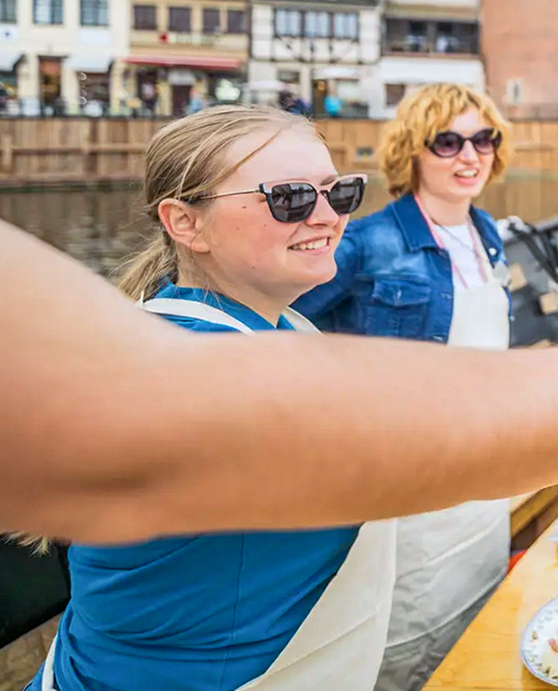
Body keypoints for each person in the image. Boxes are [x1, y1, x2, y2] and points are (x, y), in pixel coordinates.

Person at [27, 105, 392, 691]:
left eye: (339, 192)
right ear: (185, 222)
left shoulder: (279, 329)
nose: (327, 217)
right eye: (290, 198)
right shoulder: (183, 371)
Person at [293, 84, 512, 691]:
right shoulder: (367, 242)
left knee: (475, 623)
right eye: (448, 141)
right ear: (414, 152)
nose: (470, 156)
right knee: (403, 641)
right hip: (410, 488)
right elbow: (283, 328)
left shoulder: (487, 233)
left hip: (486, 478)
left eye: (483, 139)